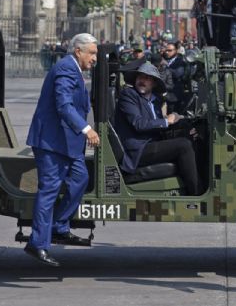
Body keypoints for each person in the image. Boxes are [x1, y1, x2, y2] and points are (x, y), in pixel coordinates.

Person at [24, 33, 100, 267]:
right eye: (92, 53)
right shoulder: (66, 69)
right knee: (49, 190)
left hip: (67, 144)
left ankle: (58, 226)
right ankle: (37, 244)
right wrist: (86, 128)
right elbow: (64, 105)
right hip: (52, 143)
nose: (95, 58)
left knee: (80, 179)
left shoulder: (74, 69)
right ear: (78, 51)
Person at [113, 62, 204, 196]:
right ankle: (197, 194)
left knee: (192, 139)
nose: (142, 81)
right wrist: (166, 121)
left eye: (147, 78)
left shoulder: (155, 101)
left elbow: (158, 127)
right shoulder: (129, 95)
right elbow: (139, 124)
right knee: (183, 145)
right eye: (140, 77)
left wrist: (182, 125)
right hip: (137, 149)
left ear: (154, 83)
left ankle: (202, 186)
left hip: (152, 144)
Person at [162, 42, 188, 113]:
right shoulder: (166, 60)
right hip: (167, 93)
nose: (167, 52)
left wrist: (166, 66)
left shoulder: (180, 61)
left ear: (176, 50)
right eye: (166, 50)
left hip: (175, 94)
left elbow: (178, 74)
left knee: (174, 115)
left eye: (170, 50)